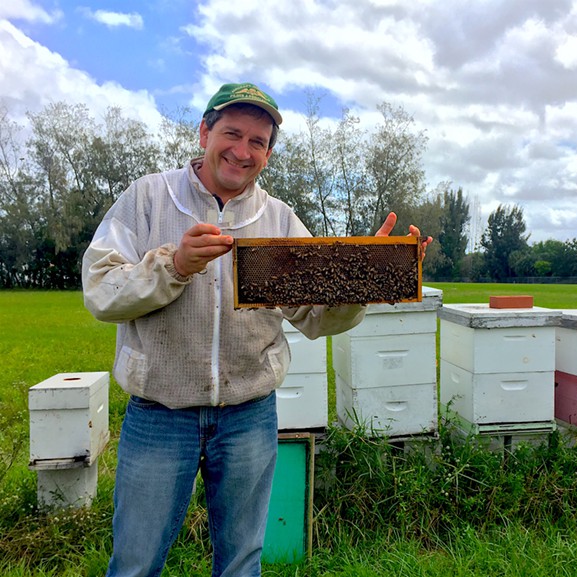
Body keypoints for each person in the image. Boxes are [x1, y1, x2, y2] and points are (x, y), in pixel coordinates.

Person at [82, 82, 432, 577]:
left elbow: (315, 315)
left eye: (258, 142)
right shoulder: (147, 197)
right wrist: (174, 265)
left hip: (248, 414)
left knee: (242, 562)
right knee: (136, 563)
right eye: (232, 133)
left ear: (268, 153)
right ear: (204, 131)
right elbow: (100, 289)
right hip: (160, 413)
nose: (243, 151)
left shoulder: (280, 219)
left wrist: (365, 277)